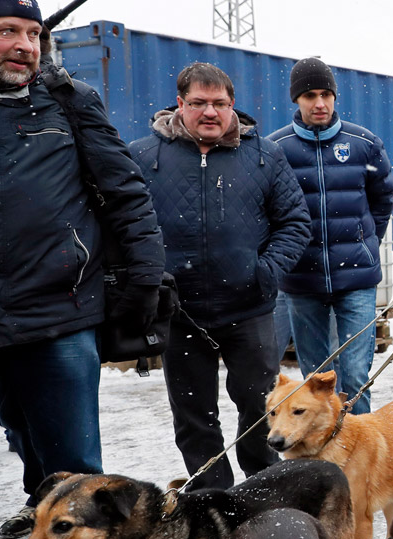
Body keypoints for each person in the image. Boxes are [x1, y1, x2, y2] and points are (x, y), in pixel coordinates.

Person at [0, 0, 163, 539]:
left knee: (71, 455)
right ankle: (42, 521)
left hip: (59, 307)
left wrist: (145, 275)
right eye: (9, 32)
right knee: (28, 441)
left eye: (33, 34)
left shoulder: (68, 103)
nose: (25, 46)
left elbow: (124, 190)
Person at [130, 62, 310, 490]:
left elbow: (295, 221)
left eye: (219, 104)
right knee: (194, 413)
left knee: (257, 404)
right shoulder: (142, 156)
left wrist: (266, 272)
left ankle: (262, 485)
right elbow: (122, 225)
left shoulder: (265, 155)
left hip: (248, 309)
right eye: (198, 103)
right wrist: (148, 280)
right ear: (180, 104)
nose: (209, 112)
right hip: (180, 313)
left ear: (232, 106)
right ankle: (213, 494)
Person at [270, 58, 393, 414]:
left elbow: (383, 197)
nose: (319, 103)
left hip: (356, 279)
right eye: (310, 95)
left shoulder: (363, 143)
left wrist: (363, 240)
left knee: (355, 376)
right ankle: (326, 461)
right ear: (297, 99)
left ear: (335, 96)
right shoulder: (275, 149)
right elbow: (266, 210)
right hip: (302, 280)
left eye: (326, 94)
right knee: (318, 380)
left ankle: (361, 457)